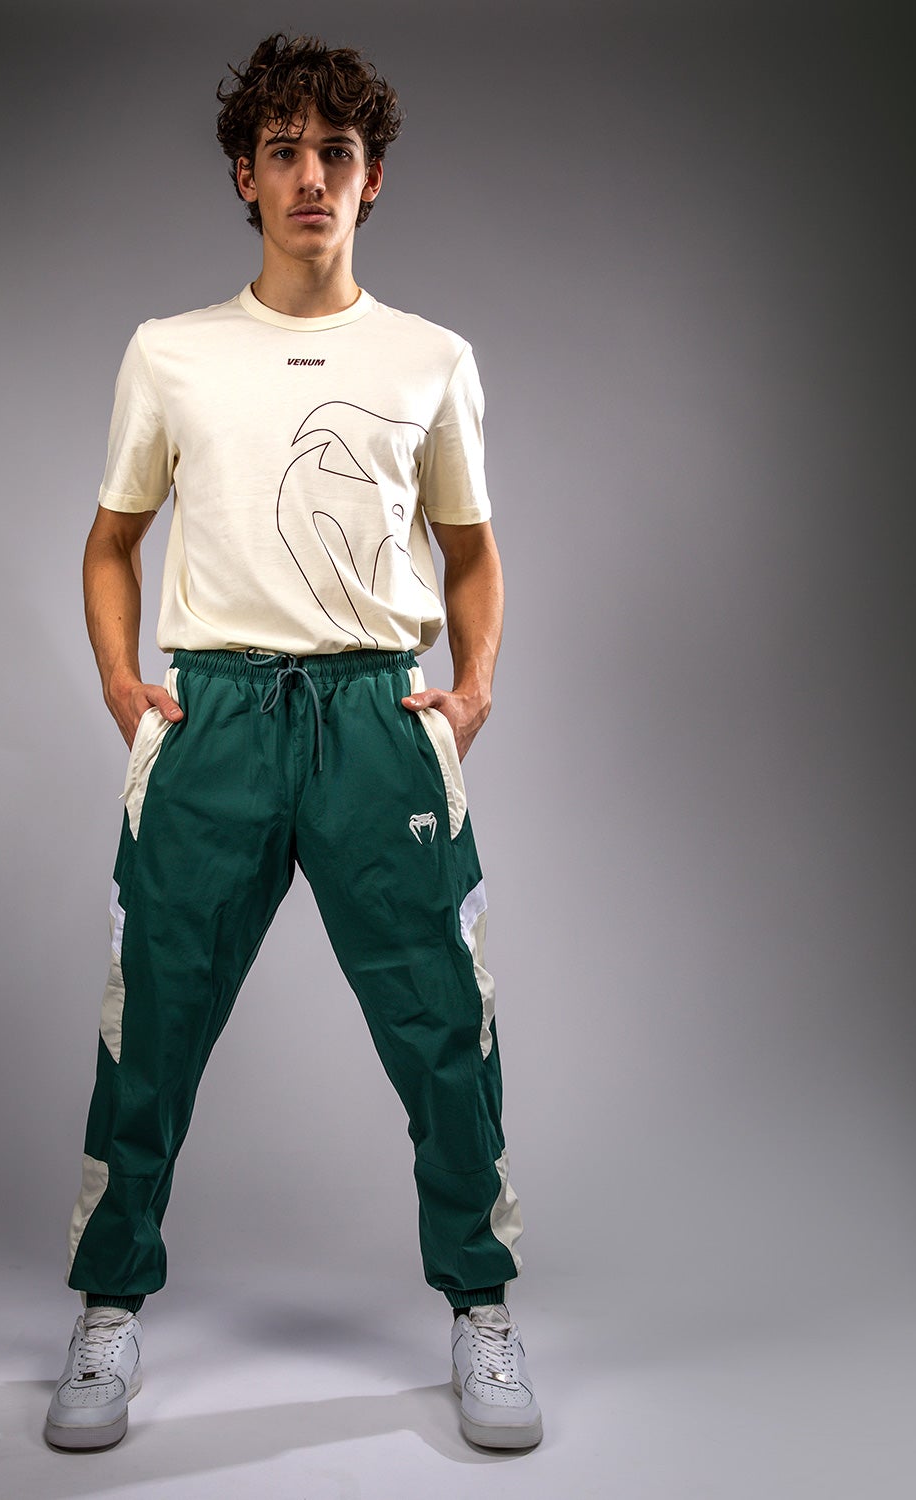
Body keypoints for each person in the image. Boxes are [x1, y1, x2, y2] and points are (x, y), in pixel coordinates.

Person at [45, 32, 541, 1453]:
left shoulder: (431, 358)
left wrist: (473, 690)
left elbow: (472, 553)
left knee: (444, 1024)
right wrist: (123, 685)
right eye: (284, 152)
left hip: (377, 716)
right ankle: (108, 1311)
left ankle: (483, 1308)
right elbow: (112, 541)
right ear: (244, 177)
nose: (311, 176)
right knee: (151, 1025)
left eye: (337, 152)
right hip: (215, 717)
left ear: (372, 179)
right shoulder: (172, 352)